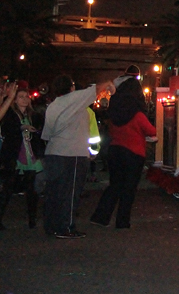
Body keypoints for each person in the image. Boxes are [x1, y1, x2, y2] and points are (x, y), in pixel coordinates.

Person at [41, 75, 115, 239]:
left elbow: (47, 134)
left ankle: (52, 225)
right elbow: (95, 89)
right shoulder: (74, 99)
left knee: (54, 192)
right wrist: (109, 84)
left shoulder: (53, 106)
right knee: (71, 191)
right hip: (72, 153)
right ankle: (66, 227)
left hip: (54, 152)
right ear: (71, 87)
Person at [91, 74, 156, 229]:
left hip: (115, 151)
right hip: (133, 154)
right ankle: (122, 221)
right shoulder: (138, 114)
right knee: (129, 189)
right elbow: (151, 131)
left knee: (115, 185)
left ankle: (101, 216)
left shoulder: (114, 112)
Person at [0, 81, 45, 230]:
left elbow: (40, 131)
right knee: (8, 186)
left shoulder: (33, 115)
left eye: (27, 96)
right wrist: (22, 127)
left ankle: (32, 218)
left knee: (31, 188)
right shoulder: (10, 114)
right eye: (21, 96)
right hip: (14, 154)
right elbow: (8, 129)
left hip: (29, 153)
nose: (25, 99)